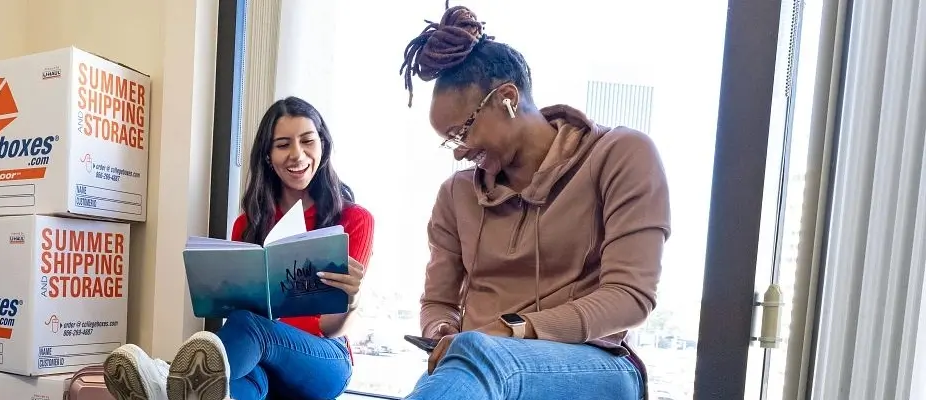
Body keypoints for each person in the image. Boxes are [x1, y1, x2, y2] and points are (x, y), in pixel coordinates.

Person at [397, 6, 671, 400]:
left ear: (507, 98)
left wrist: (511, 329)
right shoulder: (455, 195)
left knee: (478, 353)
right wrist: (440, 329)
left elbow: (631, 297)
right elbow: (438, 301)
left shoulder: (622, 154)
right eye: (450, 140)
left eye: (464, 132)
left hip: (595, 362)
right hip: (481, 366)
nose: (459, 152)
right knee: (471, 355)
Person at [101, 96, 375, 400]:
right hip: (261, 359)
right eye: (283, 145)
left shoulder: (354, 219)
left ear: (322, 145)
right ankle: (181, 393)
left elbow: (331, 328)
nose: (297, 155)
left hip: (324, 359)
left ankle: (166, 384)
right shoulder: (248, 224)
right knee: (232, 384)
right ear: (268, 156)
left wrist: (351, 301)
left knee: (250, 326)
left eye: (307, 141)